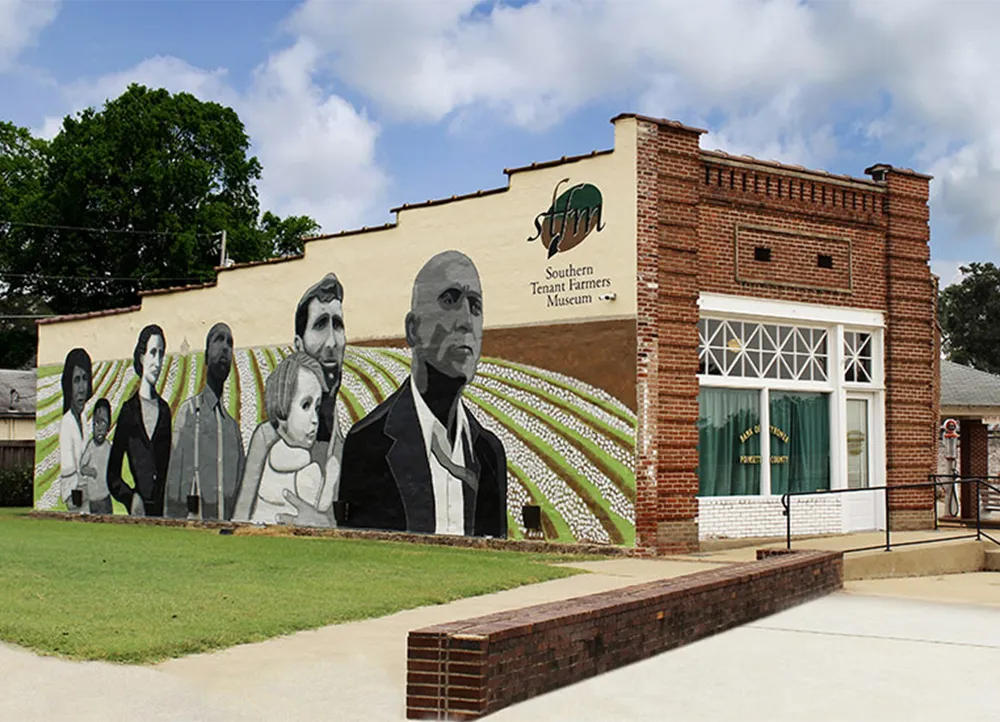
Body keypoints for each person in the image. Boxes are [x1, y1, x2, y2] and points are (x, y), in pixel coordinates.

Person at [338, 250, 507, 537]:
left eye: (475, 305)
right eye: (451, 300)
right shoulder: (369, 443)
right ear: (413, 329)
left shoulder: (489, 453)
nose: (466, 319)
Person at [232, 273, 347, 525]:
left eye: (337, 325)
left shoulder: (343, 445)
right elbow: (241, 518)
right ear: (298, 343)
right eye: (320, 325)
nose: (331, 342)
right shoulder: (267, 437)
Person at [164, 322, 245, 520]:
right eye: (219, 340)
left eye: (230, 343)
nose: (225, 347)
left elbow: (242, 492)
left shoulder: (232, 429)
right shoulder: (189, 413)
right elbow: (174, 487)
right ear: (207, 355)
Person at [251, 352, 334, 523]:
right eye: (306, 405)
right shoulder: (304, 467)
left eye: (317, 408)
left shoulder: (272, 452)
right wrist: (333, 472)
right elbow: (322, 506)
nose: (315, 420)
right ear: (283, 408)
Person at [107, 324, 172, 517]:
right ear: (142, 357)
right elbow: (112, 474)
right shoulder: (129, 412)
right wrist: (130, 498)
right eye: (153, 353)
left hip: (164, 511)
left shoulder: (165, 411)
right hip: (139, 511)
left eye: (161, 354)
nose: (158, 362)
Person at [58, 348, 93, 511]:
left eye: (85, 379)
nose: (81, 388)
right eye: (76, 380)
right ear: (68, 385)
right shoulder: (67, 423)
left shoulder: (84, 419)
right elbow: (69, 472)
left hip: (88, 496)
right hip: (76, 499)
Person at [78, 398, 114, 515]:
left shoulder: (108, 448)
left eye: (103, 422)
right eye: (96, 423)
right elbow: (82, 467)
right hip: (93, 499)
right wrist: (89, 471)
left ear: (108, 426)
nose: (99, 428)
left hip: (105, 497)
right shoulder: (91, 446)